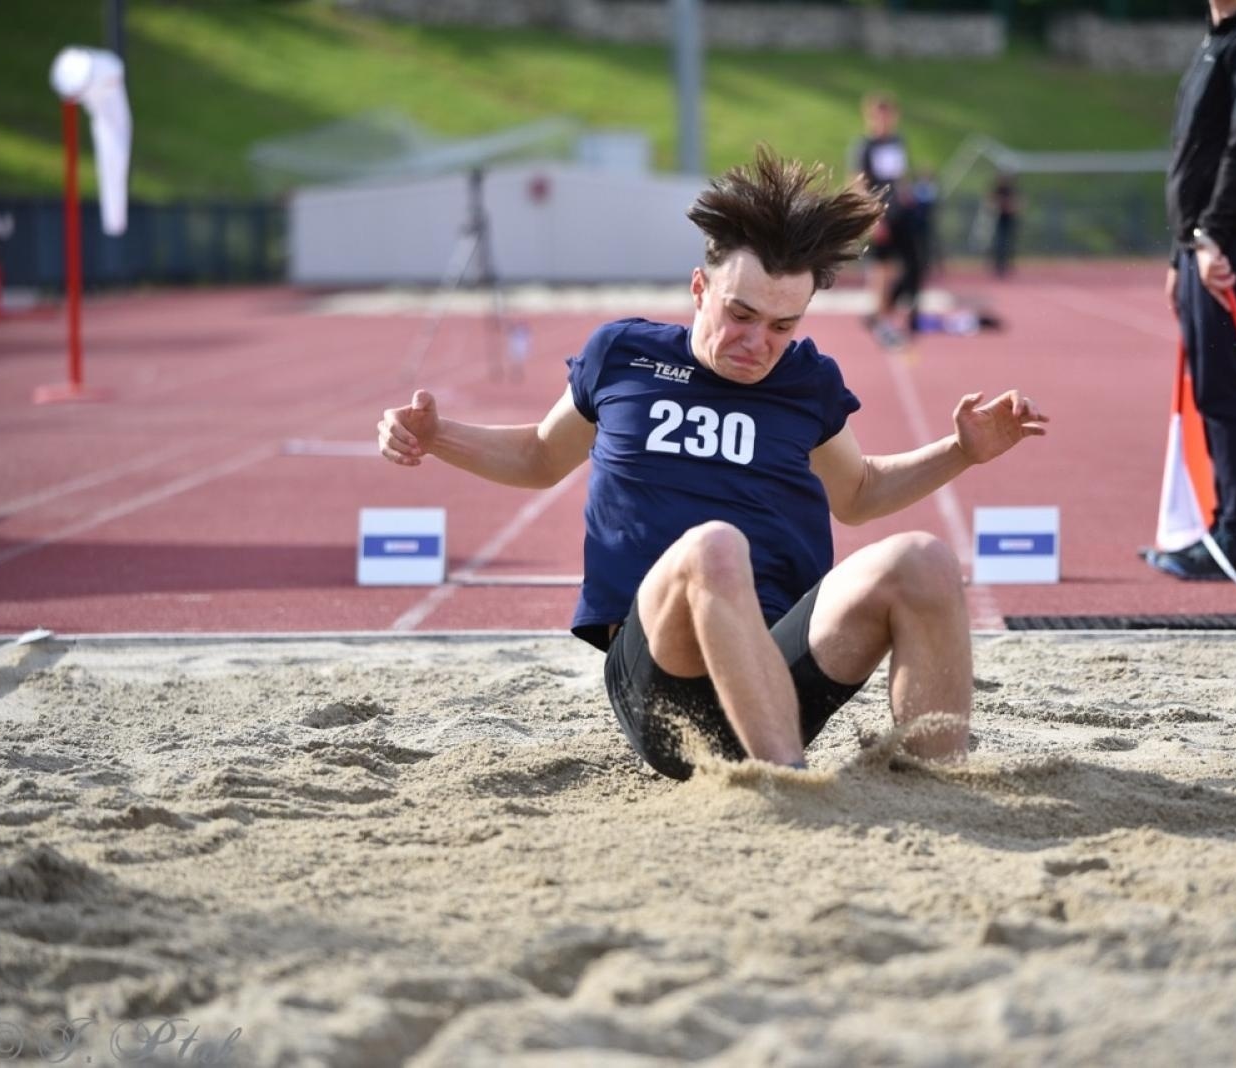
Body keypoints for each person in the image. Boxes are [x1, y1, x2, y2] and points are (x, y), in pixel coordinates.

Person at [376, 148, 1046, 781]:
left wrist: (961, 451)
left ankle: (940, 783)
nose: (758, 343)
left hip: (780, 671)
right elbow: (540, 454)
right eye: (741, 314)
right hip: (665, 686)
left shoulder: (806, 383)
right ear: (701, 288)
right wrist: (437, 436)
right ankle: (788, 782)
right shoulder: (623, 355)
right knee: (716, 547)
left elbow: (860, 492)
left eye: (783, 327)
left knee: (923, 558)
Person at [1147, 0, 1236, 583]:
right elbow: (1194, 154)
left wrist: (1209, 237)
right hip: (1203, 242)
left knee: (1228, 389)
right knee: (1212, 389)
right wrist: (1180, 250)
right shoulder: (1217, 38)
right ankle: (1224, 523)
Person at [852, 92, 922, 350]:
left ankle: (887, 315)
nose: (883, 120)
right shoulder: (865, 146)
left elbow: (900, 177)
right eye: (878, 115)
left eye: (887, 115)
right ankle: (881, 321)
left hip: (900, 213)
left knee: (903, 267)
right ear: (870, 117)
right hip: (880, 214)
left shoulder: (897, 142)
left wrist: (907, 196)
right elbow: (859, 184)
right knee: (880, 269)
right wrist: (873, 218)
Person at [988, 172, 1022, 279]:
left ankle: (1007, 264)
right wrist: (1000, 205)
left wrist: (1011, 206)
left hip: (1010, 219)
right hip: (999, 219)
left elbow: (1019, 203)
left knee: (1009, 243)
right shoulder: (998, 189)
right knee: (1000, 242)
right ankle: (999, 265)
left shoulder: (1013, 190)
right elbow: (991, 202)